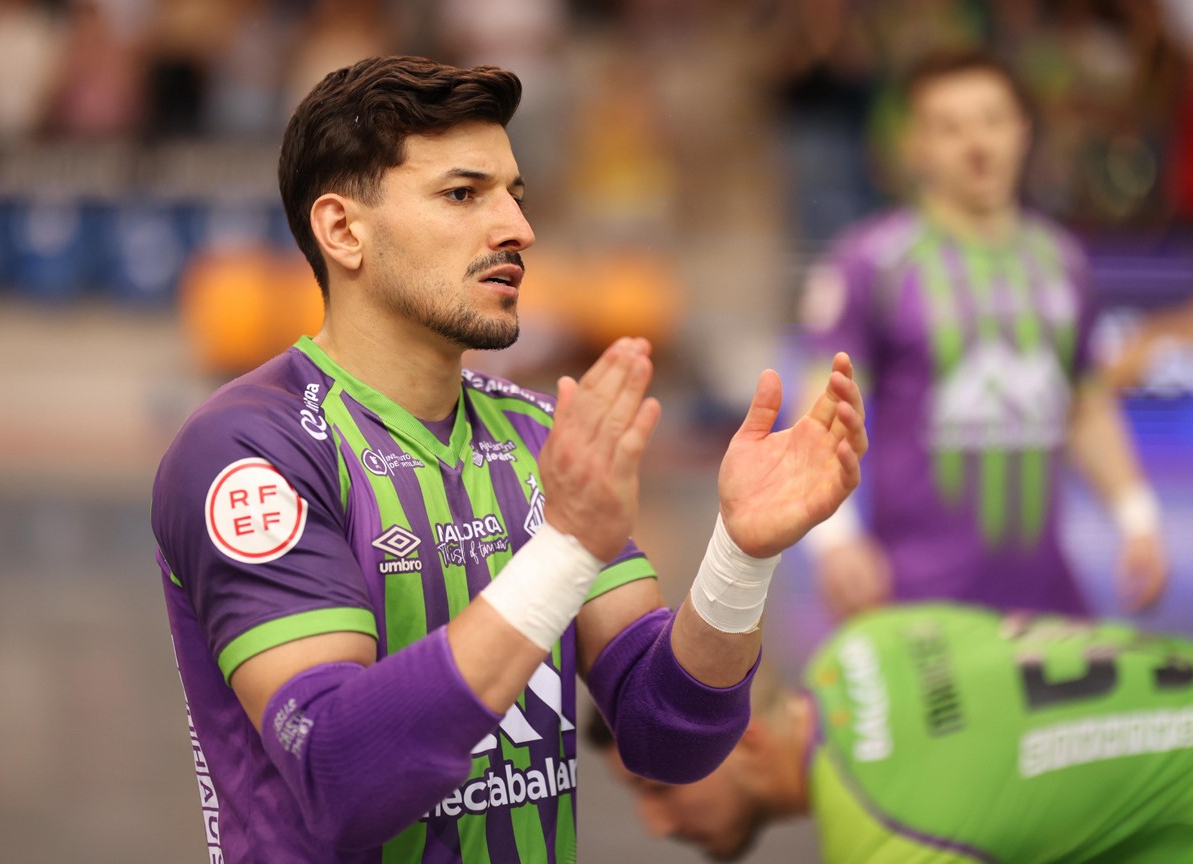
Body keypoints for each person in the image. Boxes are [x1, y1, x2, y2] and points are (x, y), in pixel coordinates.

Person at [151, 55, 868, 863]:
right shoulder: (250, 450)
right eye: (464, 194)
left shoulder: (539, 436)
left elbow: (667, 736)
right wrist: (563, 552)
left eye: (515, 196)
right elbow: (338, 772)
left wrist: (740, 554)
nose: (518, 230)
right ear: (344, 231)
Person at [799, 50, 1167, 620]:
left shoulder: (1063, 261)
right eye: (950, 128)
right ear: (915, 146)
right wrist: (835, 539)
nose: (977, 144)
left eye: (993, 120)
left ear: (1023, 131)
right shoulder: (871, 263)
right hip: (913, 605)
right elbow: (821, 408)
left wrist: (1137, 519)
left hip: (1049, 604)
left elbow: (1085, 403)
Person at [592, 602, 1193, 863]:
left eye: (659, 787)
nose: (657, 825)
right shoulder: (867, 635)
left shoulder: (882, 839)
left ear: (741, 737)